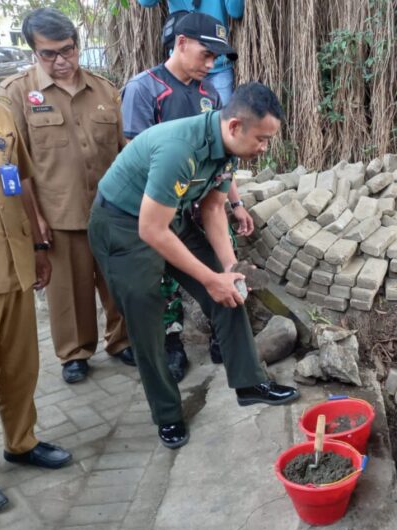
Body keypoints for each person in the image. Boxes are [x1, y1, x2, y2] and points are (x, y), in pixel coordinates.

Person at [88, 82, 299, 449]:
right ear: (235, 126)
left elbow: (214, 207)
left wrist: (229, 268)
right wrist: (209, 278)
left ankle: (250, 383)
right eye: (262, 139)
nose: (264, 148)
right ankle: (168, 415)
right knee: (147, 319)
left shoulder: (228, 149)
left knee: (228, 290)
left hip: (169, 219)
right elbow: (150, 229)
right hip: (123, 225)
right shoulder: (178, 150)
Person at [0, 8, 134, 385]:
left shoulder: (105, 90)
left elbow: (123, 154)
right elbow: (18, 166)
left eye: (68, 50)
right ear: (33, 53)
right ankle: (75, 352)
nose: (62, 61)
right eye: (49, 54)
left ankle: (121, 341)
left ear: (77, 45)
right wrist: (34, 218)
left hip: (109, 211)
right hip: (58, 213)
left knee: (115, 281)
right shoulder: (17, 95)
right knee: (68, 293)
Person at [121, 12, 254, 383]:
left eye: (216, 59)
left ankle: (221, 335)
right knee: (162, 276)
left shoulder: (209, 94)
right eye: (205, 55)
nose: (211, 64)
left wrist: (236, 202)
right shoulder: (144, 89)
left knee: (220, 263)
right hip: (161, 207)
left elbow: (222, 155)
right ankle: (172, 341)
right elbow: (138, 157)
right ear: (180, 44)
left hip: (204, 202)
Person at [0, 101, 72, 513]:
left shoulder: (2, 112)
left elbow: (20, 178)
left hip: (12, 265)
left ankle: (21, 443)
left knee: (20, 367)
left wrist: (39, 245)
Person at [136, 0, 244, 104]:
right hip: (183, 67)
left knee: (219, 119)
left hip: (217, 66)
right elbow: (146, 2)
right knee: (180, 117)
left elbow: (235, 11)